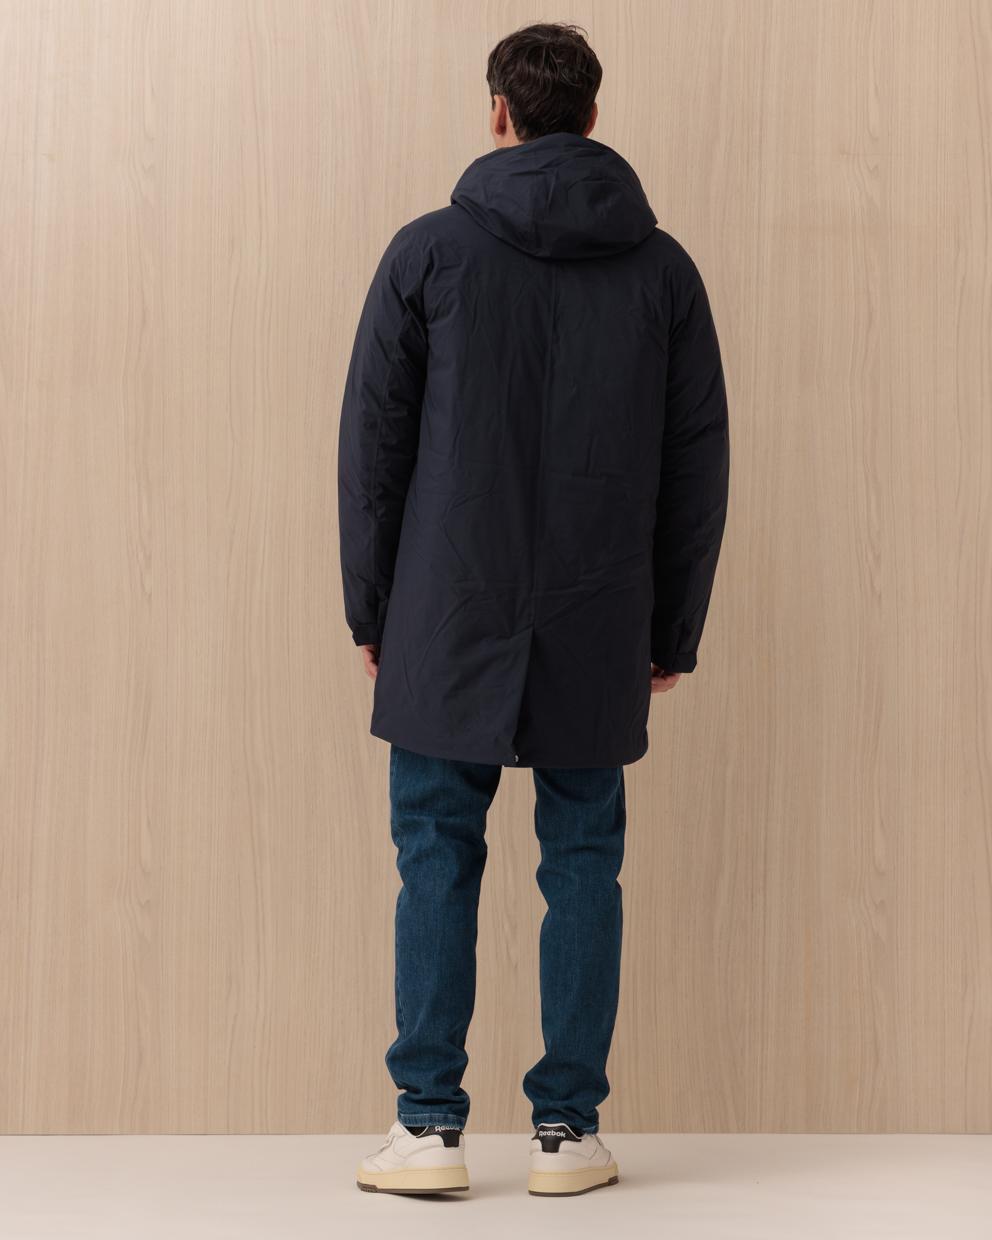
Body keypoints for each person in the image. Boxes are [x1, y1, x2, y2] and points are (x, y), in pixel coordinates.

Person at [339, 21, 729, 1197]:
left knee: (433, 853)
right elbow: (695, 464)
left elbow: (372, 450)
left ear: (497, 112)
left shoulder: (427, 252)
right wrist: (670, 628)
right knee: (583, 861)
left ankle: (427, 1130)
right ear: (591, 118)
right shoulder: (662, 271)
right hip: (597, 611)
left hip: (444, 608)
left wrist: (372, 611)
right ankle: (567, 1131)